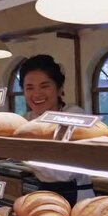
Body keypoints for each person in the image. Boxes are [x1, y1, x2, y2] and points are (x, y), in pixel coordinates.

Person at [19, 55, 95, 205]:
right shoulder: (26, 119)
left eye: (44, 86)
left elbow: (65, 173)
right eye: (29, 87)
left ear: (59, 89)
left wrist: (23, 152)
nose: (37, 94)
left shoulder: (73, 116)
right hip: (43, 193)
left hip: (77, 195)